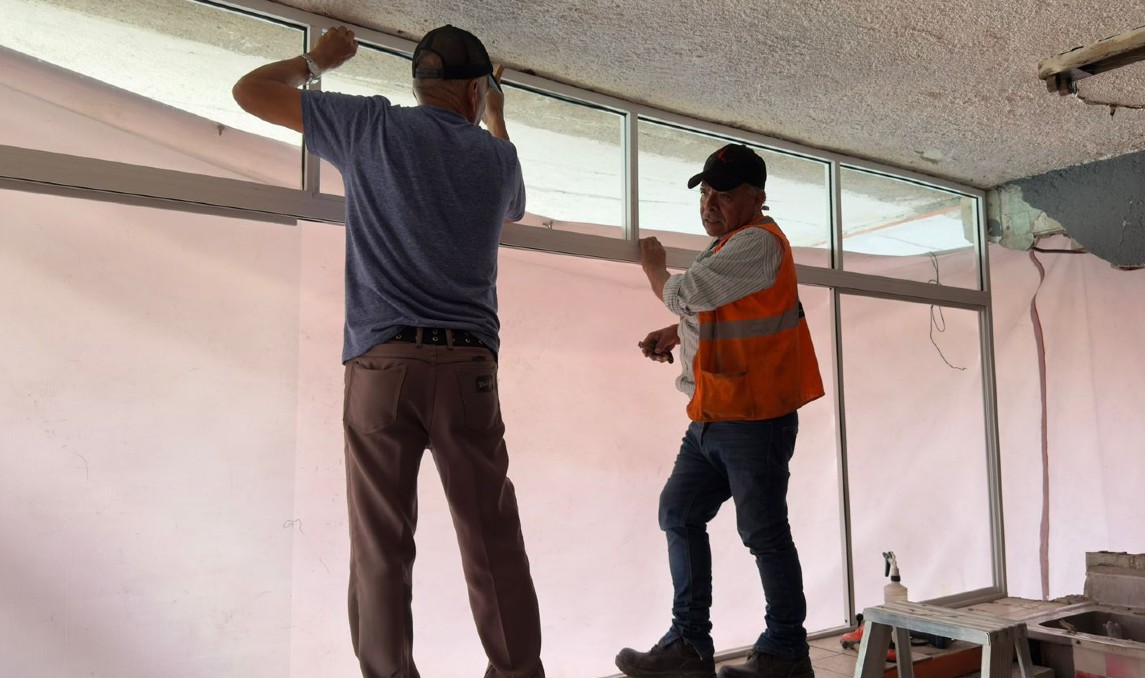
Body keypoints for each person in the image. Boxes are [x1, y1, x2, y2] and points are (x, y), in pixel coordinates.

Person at [233, 24, 544, 678]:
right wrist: (497, 116)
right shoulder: (496, 160)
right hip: (468, 370)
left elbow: (250, 91)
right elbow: (515, 205)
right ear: (473, 90)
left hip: (383, 365)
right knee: (492, 540)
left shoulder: (370, 126)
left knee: (381, 547)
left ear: (419, 83)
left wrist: (318, 59)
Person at [616, 144, 825, 678]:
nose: (710, 204)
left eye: (724, 195)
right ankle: (689, 645)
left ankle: (786, 653)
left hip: (754, 418)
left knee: (763, 533)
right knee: (679, 512)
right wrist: (678, 332)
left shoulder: (758, 241)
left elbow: (686, 293)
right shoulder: (728, 244)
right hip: (712, 415)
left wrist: (653, 267)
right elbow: (716, 309)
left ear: (757, 198)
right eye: (705, 192)